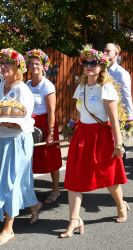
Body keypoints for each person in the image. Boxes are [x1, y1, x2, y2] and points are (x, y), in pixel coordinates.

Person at [61, 45, 128, 238]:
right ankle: (74, 220)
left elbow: (114, 119)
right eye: (86, 63)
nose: (89, 66)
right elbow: (78, 113)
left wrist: (118, 144)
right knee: (74, 176)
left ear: (101, 66)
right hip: (82, 135)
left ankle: (121, 205)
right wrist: (72, 130)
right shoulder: (81, 86)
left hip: (101, 136)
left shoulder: (105, 87)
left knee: (108, 176)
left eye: (93, 63)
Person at [0, 48, 41, 245]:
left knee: (10, 182)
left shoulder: (23, 90)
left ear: (18, 68)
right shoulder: (0, 85)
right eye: (1, 63)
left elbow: (25, 121)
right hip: (1, 139)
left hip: (17, 140)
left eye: (8, 63)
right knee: (20, 181)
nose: (3, 66)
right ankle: (34, 205)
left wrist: (6, 123)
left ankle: (8, 228)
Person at [25, 49, 62, 204]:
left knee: (50, 157)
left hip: (45, 123)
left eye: (37, 63)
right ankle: (28, 191)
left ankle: (55, 190)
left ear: (43, 66)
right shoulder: (26, 84)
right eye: (31, 63)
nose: (34, 66)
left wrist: (51, 133)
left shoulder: (47, 86)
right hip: (30, 124)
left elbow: (52, 111)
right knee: (29, 158)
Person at [104, 43, 133, 117]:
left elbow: (126, 95)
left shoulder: (121, 73)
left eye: (108, 51)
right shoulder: (101, 70)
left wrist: (129, 117)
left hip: (115, 115)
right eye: (104, 50)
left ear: (116, 53)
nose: (105, 53)